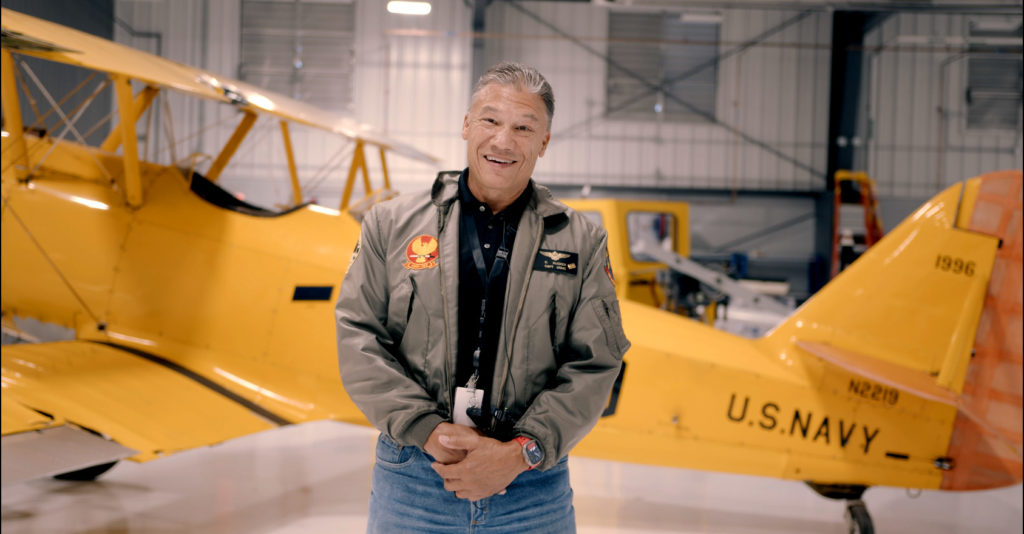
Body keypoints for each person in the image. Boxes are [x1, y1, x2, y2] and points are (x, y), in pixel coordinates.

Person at [335, 61, 629, 533]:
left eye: (523, 127)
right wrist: (424, 429)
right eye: (490, 120)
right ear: (466, 125)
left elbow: (596, 364)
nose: (503, 140)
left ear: (544, 142)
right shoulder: (389, 226)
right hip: (413, 479)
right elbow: (358, 337)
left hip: (533, 488)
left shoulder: (583, 242)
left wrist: (520, 452)